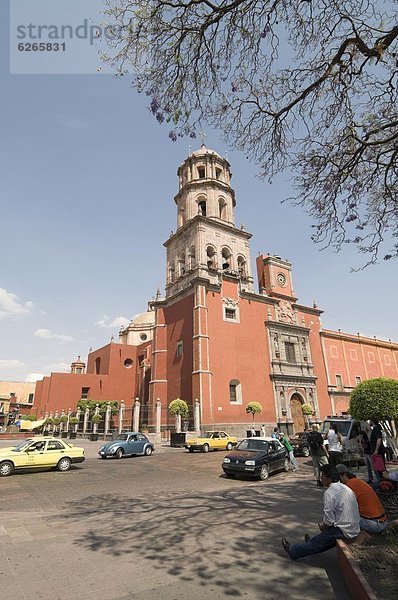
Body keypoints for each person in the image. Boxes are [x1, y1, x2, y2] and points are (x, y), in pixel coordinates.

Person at [281, 464, 360, 560]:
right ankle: (312, 543)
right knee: (323, 540)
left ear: (329, 478)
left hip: (343, 529)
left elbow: (329, 520)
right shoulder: (346, 488)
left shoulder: (330, 493)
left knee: (320, 540)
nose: (321, 478)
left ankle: (293, 551)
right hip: (354, 527)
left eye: (323, 476)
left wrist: (323, 526)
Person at [336, 464, 387, 534]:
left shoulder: (348, 487)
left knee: (341, 519)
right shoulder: (357, 481)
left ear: (344, 475)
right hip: (382, 520)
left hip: (374, 524)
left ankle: (358, 537)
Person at [369, 418, 386, 485]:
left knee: (380, 468)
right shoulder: (376, 429)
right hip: (377, 452)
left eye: (370, 420)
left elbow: (379, 439)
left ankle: (384, 483)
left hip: (379, 452)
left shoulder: (376, 429)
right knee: (379, 469)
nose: (369, 422)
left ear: (372, 421)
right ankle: (382, 483)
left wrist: (376, 450)